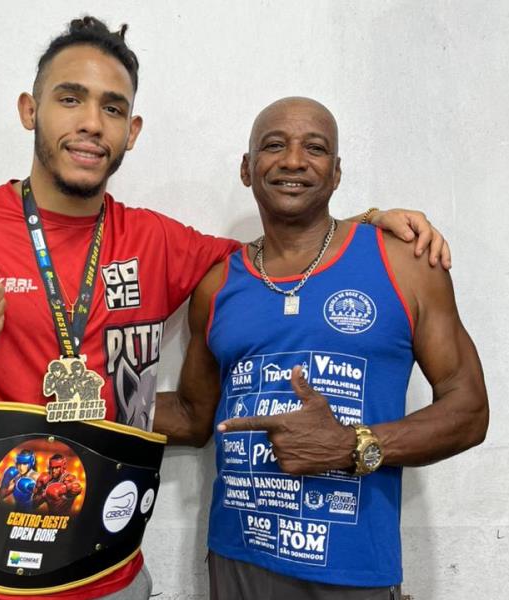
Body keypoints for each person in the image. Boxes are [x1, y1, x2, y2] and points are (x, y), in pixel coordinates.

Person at [0, 16, 451, 600]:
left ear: (133, 130)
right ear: (30, 110)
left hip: (109, 574)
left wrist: (364, 227)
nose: (92, 123)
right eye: (70, 98)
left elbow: (281, 254)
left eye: (113, 107)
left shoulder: (160, 242)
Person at [153, 97, 488, 599]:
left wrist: (350, 446)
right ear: (247, 169)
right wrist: (74, 402)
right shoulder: (219, 284)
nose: (293, 160)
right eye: (273, 146)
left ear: (336, 172)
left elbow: (470, 411)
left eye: (315, 148)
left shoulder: (405, 263)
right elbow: (191, 415)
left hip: (353, 574)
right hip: (238, 560)